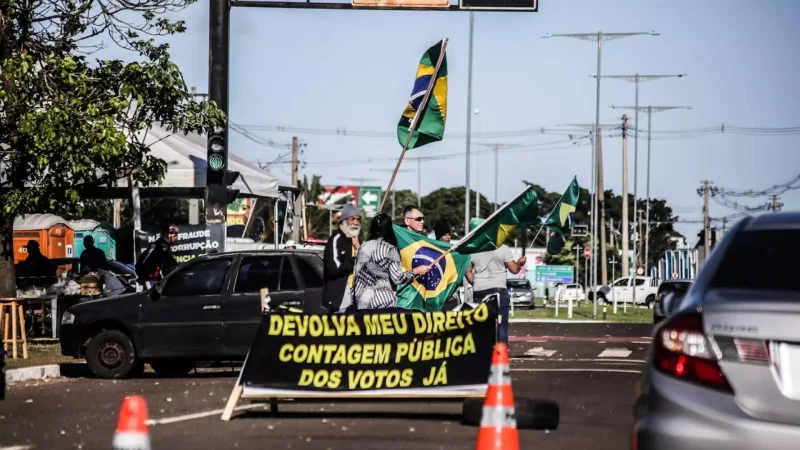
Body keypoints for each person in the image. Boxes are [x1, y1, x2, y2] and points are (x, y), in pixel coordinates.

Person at [353, 213, 430, 312]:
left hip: (361, 304)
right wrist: (415, 271)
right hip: (382, 304)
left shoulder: (362, 247)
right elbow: (397, 278)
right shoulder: (390, 249)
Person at [465, 244, 526, 345]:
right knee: (501, 324)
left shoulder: (474, 248)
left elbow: (468, 271)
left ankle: (482, 353)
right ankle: (500, 354)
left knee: (481, 324)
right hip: (499, 289)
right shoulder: (503, 248)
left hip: (479, 290)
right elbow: (514, 270)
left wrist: (476, 283)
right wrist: (520, 263)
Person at [323, 204, 362, 313]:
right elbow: (335, 268)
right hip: (340, 299)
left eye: (358, 219)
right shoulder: (336, 240)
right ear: (343, 221)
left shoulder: (356, 240)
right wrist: (354, 260)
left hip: (357, 297)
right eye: (352, 219)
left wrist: (358, 247)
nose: (355, 222)